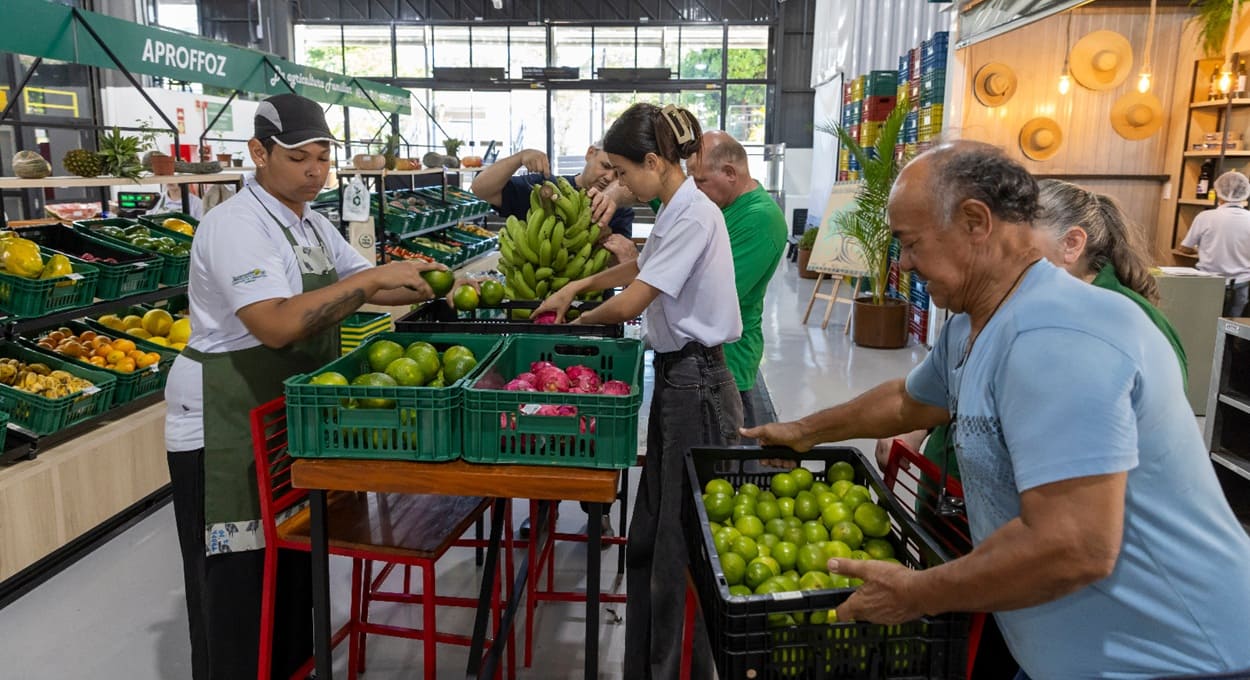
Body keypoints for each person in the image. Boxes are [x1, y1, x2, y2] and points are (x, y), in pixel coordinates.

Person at [747, 141, 1250, 679]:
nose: (906, 263)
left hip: (1176, 659)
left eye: (911, 243)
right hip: (1069, 652)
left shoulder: (1059, 335)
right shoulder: (974, 322)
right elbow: (908, 400)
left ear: (975, 222)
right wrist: (803, 430)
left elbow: (1072, 545)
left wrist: (919, 594)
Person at [163, 94, 449, 680]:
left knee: (290, 571)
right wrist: (373, 278)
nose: (315, 171)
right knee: (236, 581)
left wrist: (431, 283)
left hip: (281, 410)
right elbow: (276, 323)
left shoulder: (313, 223)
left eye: (322, 157)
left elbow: (364, 289)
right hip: (222, 420)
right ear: (259, 152)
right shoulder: (235, 226)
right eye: (299, 158)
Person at [875, 178, 1193, 680]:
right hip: (962, 521)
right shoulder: (1007, 306)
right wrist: (916, 428)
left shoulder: (1123, 326)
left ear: (1072, 245)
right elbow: (957, 385)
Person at [534, 103, 743, 680]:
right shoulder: (674, 208)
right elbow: (638, 271)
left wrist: (571, 328)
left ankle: (679, 668)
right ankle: (650, 665)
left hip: (698, 386)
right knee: (651, 535)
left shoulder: (695, 214)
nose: (619, 184)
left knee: (681, 547)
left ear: (654, 161)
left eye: (623, 173)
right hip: (681, 380)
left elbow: (632, 302)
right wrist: (578, 284)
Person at [688, 131, 788, 427]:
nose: (695, 189)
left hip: (728, 363)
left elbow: (715, 295)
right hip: (704, 359)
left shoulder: (760, 220)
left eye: (701, 181)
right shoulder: (721, 205)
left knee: (723, 461)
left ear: (730, 173)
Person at [470, 143, 639, 264]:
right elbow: (481, 189)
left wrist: (604, 235)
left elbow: (618, 264)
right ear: (590, 153)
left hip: (592, 302)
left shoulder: (618, 209)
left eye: (618, 173)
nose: (609, 177)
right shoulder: (544, 188)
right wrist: (519, 158)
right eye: (605, 166)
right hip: (532, 293)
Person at [1179, 170, 1250, 317]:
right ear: (1245, 193)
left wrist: (1203, 251)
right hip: (1242, 284)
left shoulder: (1205, 217)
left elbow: (1184, 248)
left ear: (1219, 193)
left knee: (1205, 324)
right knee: (1233, 328)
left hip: (1208, 283)